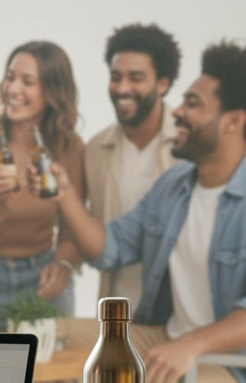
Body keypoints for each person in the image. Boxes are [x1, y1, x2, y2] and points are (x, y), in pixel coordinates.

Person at [33, 41, 246, 383]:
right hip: (167, 337)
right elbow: (109, 248)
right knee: (46, 342)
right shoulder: (176, 185)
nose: (177, 110)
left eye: (193, 103)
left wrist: (190, 346)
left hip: (236, 365)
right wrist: (64, 195)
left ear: (233, 121)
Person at [0, 41, 85, 332]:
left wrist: (63, 266)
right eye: (10, 77)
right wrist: (1, 203)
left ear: (52, 90)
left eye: (27, 82)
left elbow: (72, 231)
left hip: (42, 278)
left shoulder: (70, 147)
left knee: (51, 376)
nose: (13, 89)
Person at [85, 23, 182, 305]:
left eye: (135, 77)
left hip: (173, 314)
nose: (122, 87)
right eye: (116, 77)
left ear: (162, 84)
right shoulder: (95, 149)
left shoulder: (189, 146)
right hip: (116, 308)